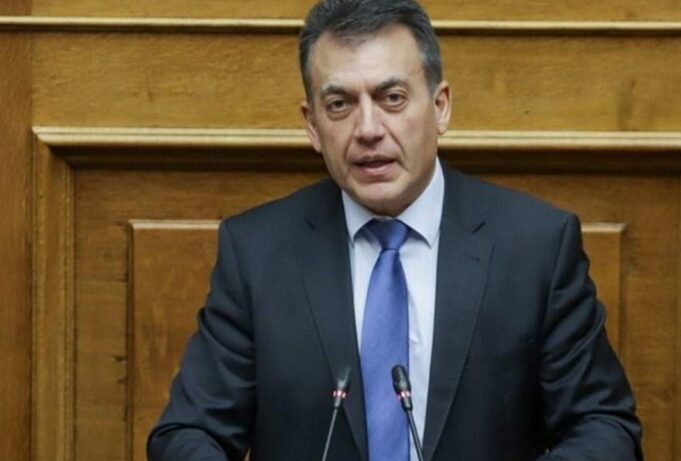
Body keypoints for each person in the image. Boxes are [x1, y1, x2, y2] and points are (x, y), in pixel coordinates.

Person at [147, 0, 643, 460]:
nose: (368, 129)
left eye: (392, 98)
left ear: (440, 106)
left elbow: (605, 426)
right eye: (339, 104)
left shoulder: (535, 247)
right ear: (312, 125)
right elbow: (187, 433)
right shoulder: (258, 253)